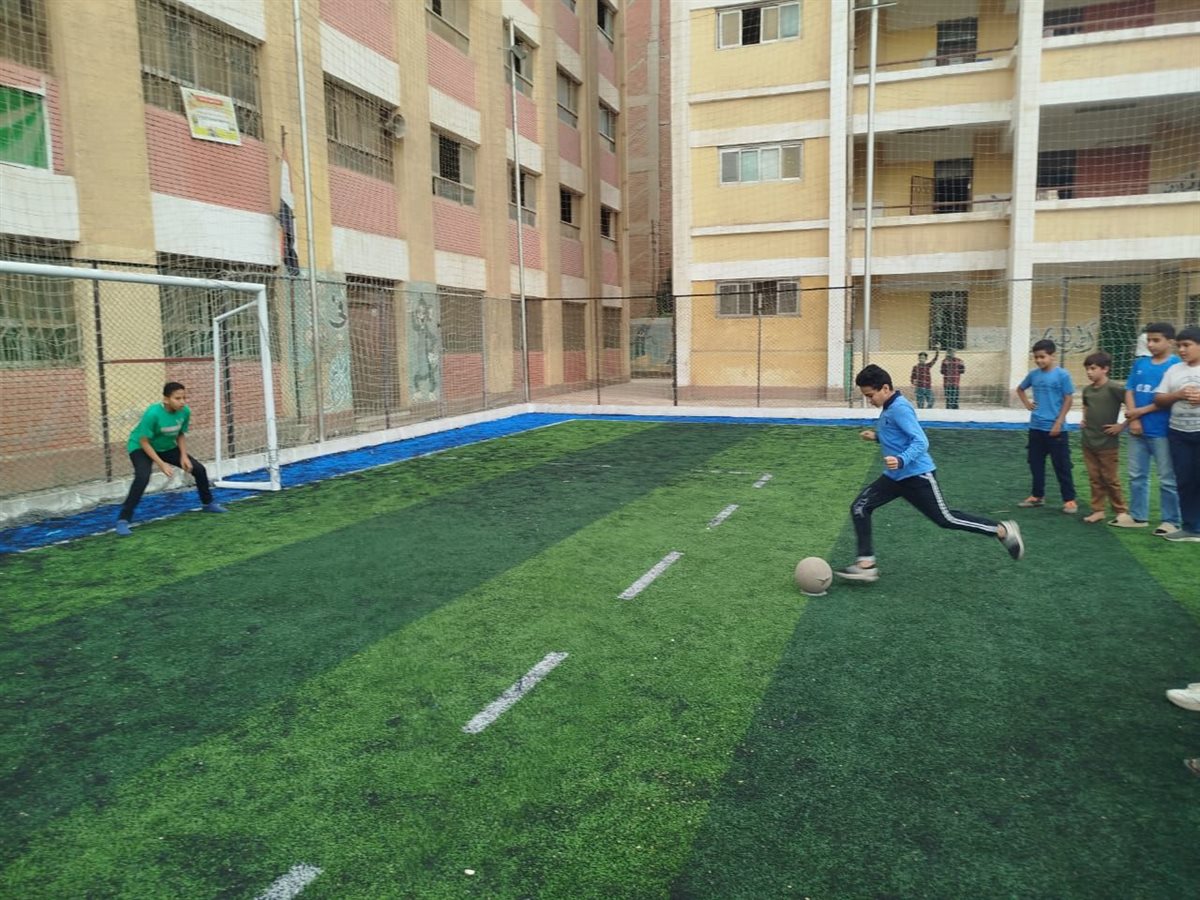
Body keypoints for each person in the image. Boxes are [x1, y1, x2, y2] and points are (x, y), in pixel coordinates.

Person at [833, 365, 1024, 583]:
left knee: (945, 518)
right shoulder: (889, 407)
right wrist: (877, 437)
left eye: (870, 395)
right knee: (860, 507)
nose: (869, 400)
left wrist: (902, 459)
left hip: (917, 476)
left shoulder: (900, 408)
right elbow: (898, 436)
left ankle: (1001, 530)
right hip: (895, 477)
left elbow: (921, 441)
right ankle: (866, 564)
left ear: (885, 388)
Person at [115, 382, 226, 536]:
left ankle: (208, 503)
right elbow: (144, 441)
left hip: (166, 446)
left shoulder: (185, 412)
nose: (182, 402)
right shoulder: (152, 413)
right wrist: (161, 464)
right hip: (141, 447)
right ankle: (123, 520)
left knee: (199, 469)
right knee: (142, 477)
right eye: (177, 398)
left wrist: (184, 456)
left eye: (184, 398)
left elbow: (180, 434)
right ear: (166, 399)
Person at [1116, 323, 1180, 533]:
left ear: (1170, 342)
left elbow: (1166, 400)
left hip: (1163, 431)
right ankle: (1138, 516)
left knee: (1167, 479)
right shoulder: (1140, 364)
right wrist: (1134, 419)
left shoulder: (1176, 366)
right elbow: (1130, 390)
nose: (1151, 344)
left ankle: (1171, 521)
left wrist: (1139, 413)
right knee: (1136, 475)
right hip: (1137, 431)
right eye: (1149, 340)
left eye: (1156, 340)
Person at [1015, 339, 1078, 514]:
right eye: (1036, 357)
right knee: (1035, 463)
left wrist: (1059, 422)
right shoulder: (1034, 375)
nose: (1039, 360)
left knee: (1062, 465)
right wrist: (1027, 403)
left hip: (1056, 428)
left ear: (1052, 356)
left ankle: (1069, 500)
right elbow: (1020, 389)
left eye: (1042, 357)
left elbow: (1068, 399)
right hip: (1036, 427)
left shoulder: (1062, 375)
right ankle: (1037, 496)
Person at [1153, 325, 1200, 542]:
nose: (1182, 350)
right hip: (1178, 433)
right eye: (1179, 345)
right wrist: (1178, 394)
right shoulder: (1174, 370)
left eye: (1187, 345)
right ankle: (1191, 528)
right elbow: (1159, 399)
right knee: (1185, 480)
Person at [1078, 351, 1129, 524]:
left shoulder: (1115, 388)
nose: (1089, 372)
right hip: (1088, 441)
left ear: (1105, 369)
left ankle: (1121, 510)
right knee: (1095, 477)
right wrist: (1084, 419)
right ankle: (1098, 510)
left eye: (1093, 368)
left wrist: (1121, 426)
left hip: (1107, 443)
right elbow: (1086, 406)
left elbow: (1132, 405)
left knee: (1110, 478)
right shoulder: (1087, 390)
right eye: (1087, 369)